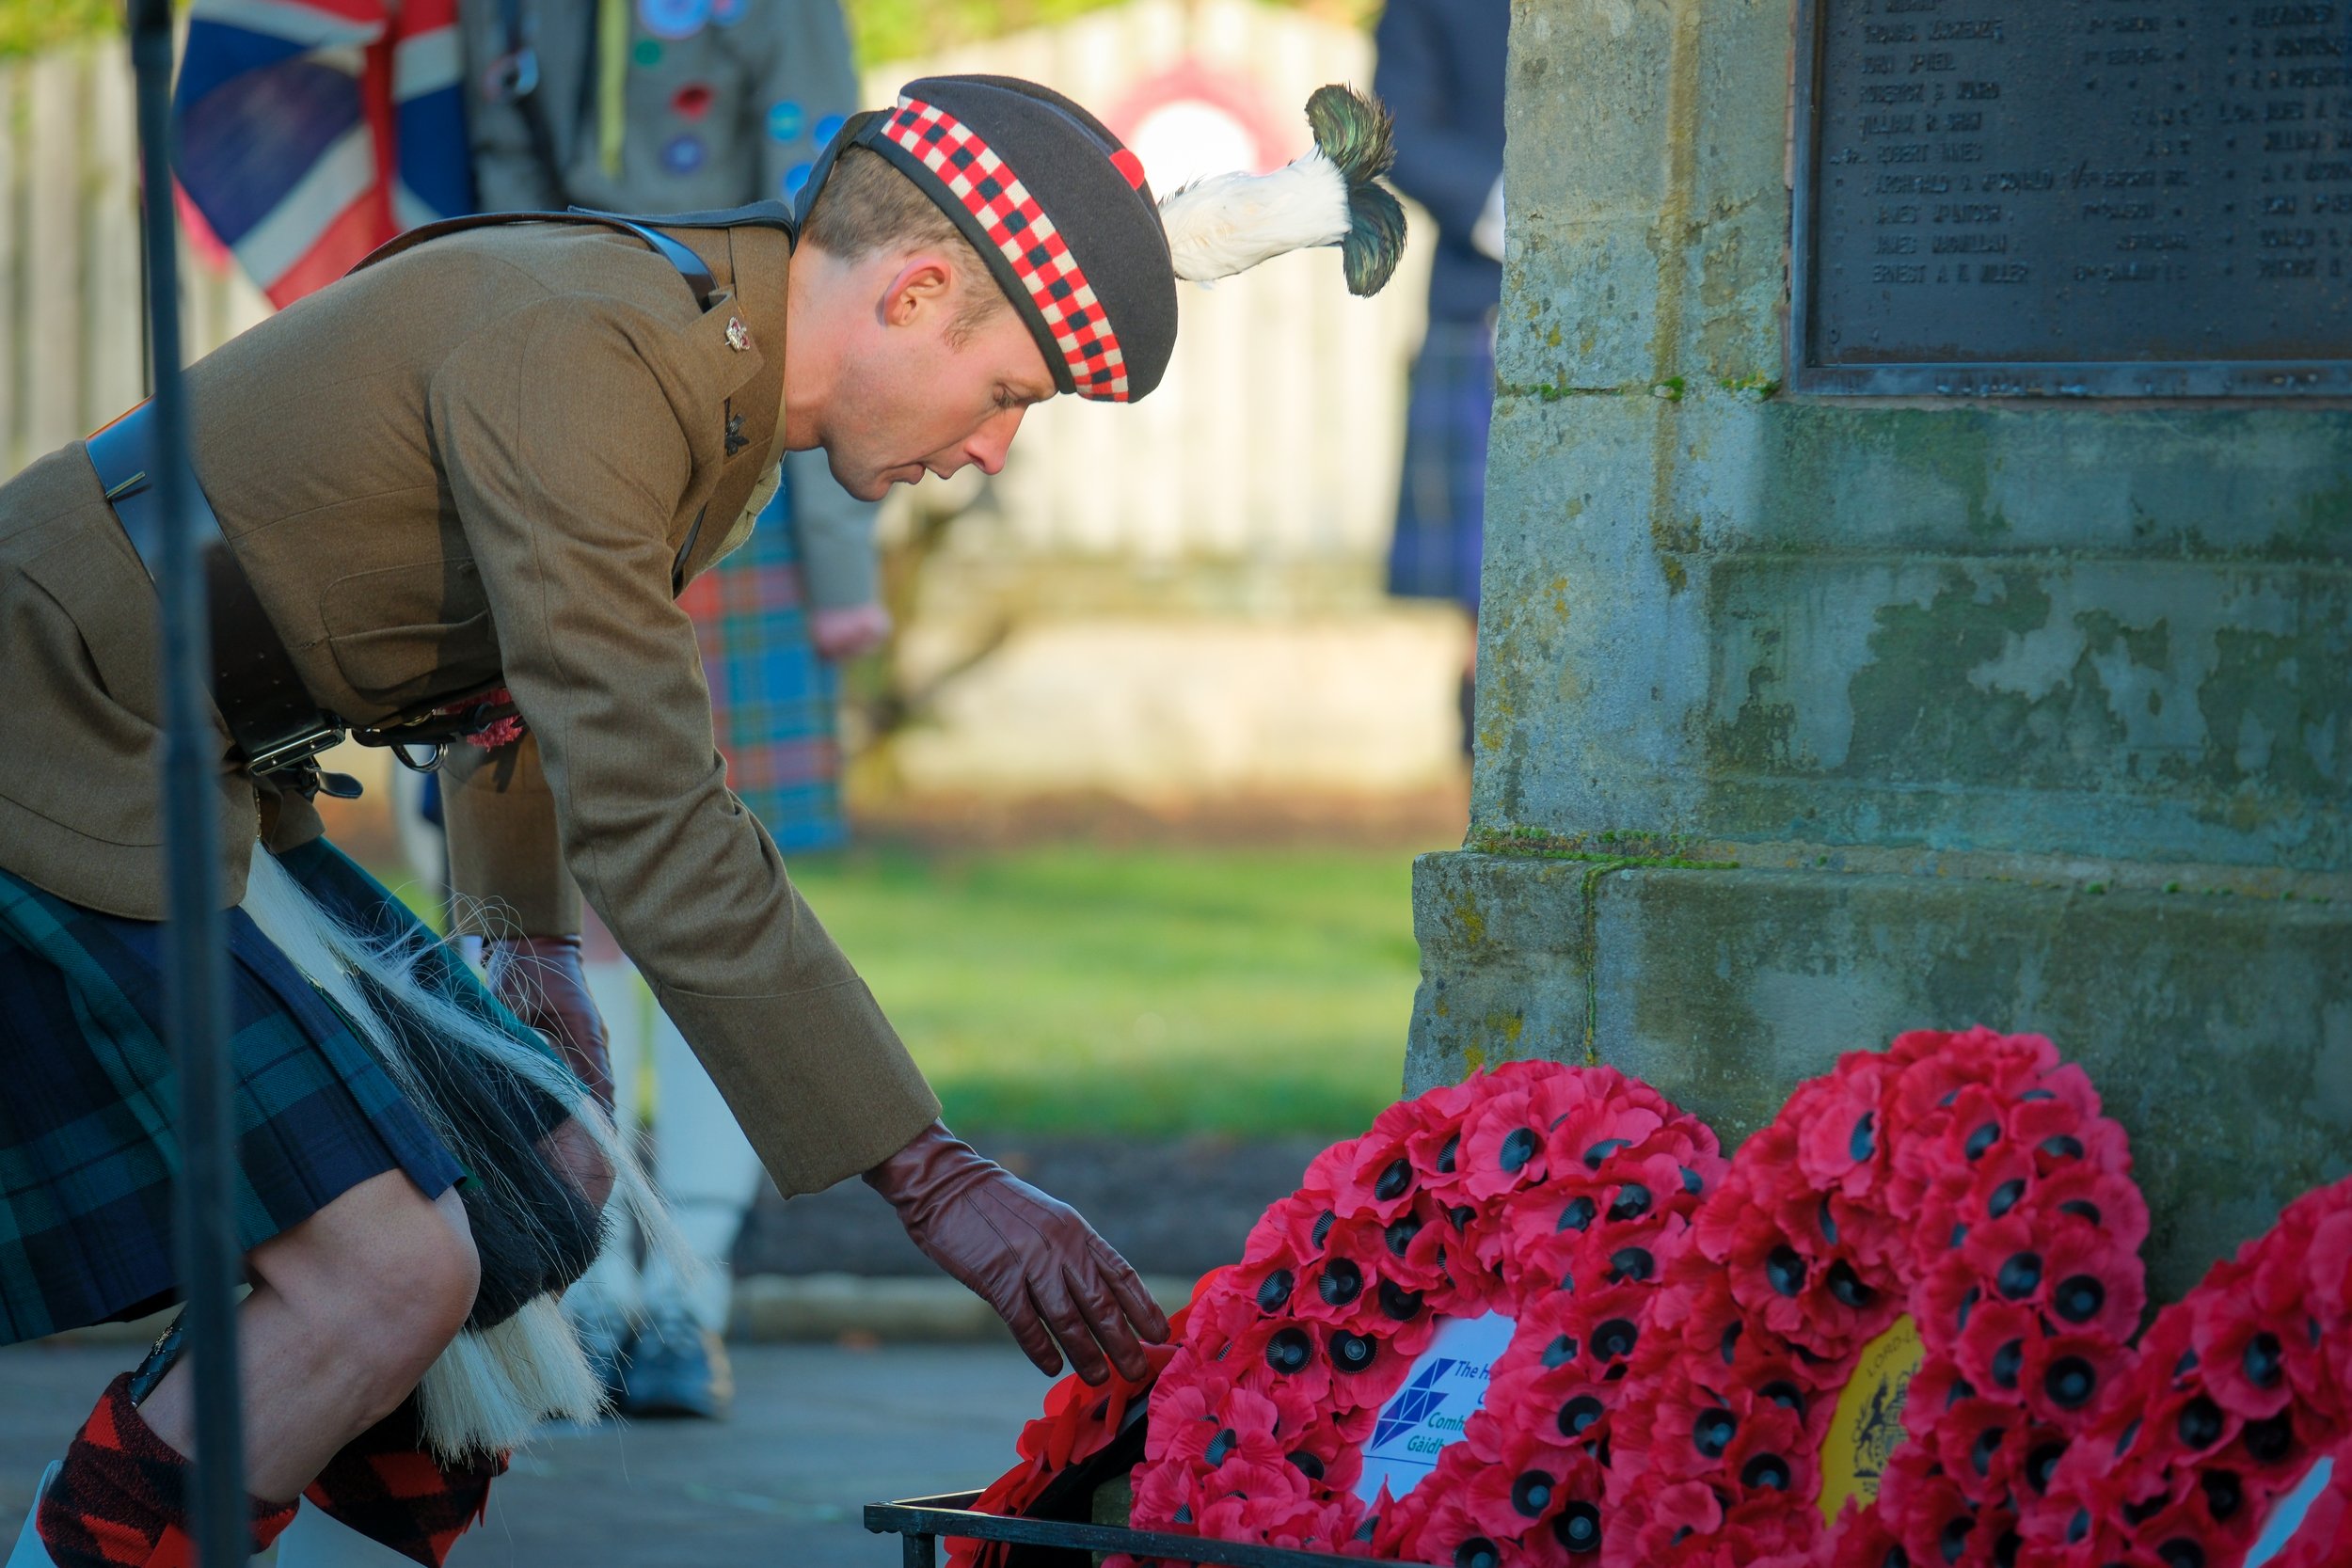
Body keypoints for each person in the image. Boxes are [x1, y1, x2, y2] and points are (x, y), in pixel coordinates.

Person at [0, 73, 1404, 1568]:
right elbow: (660, 815)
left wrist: (520, 940)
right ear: (919, 291)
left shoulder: (694, 369)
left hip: (170, 740)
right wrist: (932, 1171)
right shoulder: (605, 350)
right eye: (1008, 394)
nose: (993, 451)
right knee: (389, 1274)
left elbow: (512, 677)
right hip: (65, 720)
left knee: (548, 1162)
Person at [452, 0, 889, 1419]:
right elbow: (501, 229)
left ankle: (687, 1285)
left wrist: (840, 556)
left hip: (733, 440)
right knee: (548, 905)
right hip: (551, 441)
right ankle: (584, 1281)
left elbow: (833, 272)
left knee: (705, 890)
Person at [1373, 0, 1509, 753]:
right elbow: (1399, 132)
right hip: (1485, 298)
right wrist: (1510, 209)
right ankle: (1492, 817)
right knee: (1491, 592)